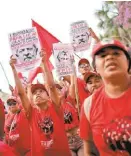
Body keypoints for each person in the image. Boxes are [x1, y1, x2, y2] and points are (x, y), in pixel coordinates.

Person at [9, 50, 71, 156]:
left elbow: (51, 87)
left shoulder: (55, 107)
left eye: (41, 91)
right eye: (34, 93)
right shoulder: (31, 113)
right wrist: (14, 69)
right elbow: (21, 93)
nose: (37, 94)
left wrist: (44, 63)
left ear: (48, 96)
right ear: (32, 99)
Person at [80, 39, 131, 156]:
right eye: (103, 56)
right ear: (96, 68)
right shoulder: (89, 104)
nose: (109, 57)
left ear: (128, 61)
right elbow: (89, 152)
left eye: (116, 53)